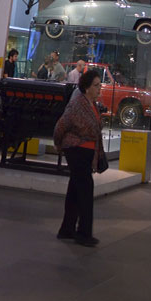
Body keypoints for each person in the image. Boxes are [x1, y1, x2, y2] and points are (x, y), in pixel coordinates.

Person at [53, 68, 104, 247]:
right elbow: (61, 125)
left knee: (75, 190)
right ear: (87, 88)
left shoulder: (93, 105)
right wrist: (58, 143)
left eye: (100, 85)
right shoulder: (77, 104)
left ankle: (67, 229)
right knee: (85, 190)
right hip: (76, 150)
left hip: (87, 151)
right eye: (96, 85)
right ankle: (84, 233)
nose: (99, 88)